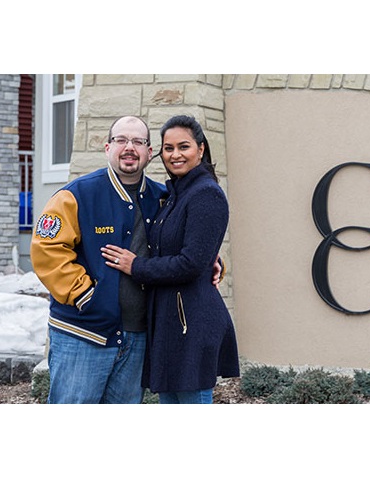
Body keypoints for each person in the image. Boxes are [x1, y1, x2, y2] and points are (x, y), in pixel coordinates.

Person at [31, 115, 220, 404]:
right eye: (121, 140)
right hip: (84, 335)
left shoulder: (162, 197)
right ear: (107, 147)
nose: (129, 147)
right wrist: (84, 295)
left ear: (149, 152)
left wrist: (210, 258)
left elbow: (185, 240)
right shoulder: (76, 195)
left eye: (138, 142)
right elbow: (47, 249)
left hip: (138, 339)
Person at [101, 115, 239, 404]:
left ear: (201, 149)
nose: (175, 155)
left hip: (191, 324)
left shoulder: (206, 194)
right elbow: (188, 249)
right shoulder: (175, 194)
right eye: (168, 148)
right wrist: (213, 257)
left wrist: (135, 265)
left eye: (184, 147)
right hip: (169, 323)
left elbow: (190, 263)